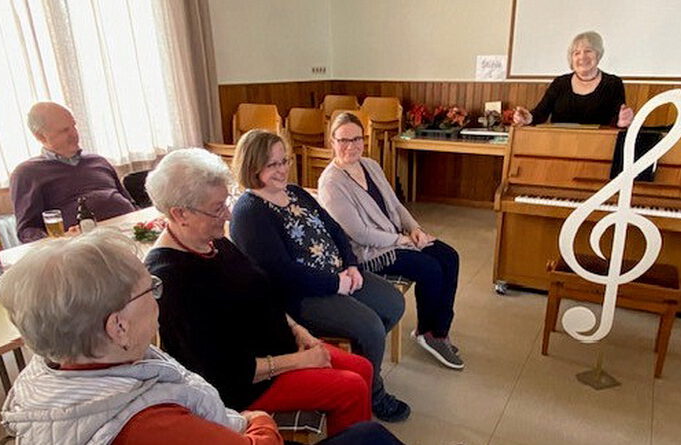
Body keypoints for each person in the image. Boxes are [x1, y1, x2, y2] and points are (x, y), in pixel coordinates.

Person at [144, 149, 373, 436]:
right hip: (245, 385)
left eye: (226, 202)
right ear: (180, 214)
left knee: (362, 368)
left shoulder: (211, 242)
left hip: (279, 347)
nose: (227, 214)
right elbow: (222, 371)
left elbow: (260, 292)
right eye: (217, 209)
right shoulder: (169, 278)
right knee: (350, 388)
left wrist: (298, 329)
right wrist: (300, 361)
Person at [0, 230, 281, 444]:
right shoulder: (151, 425)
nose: (159, 297)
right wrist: (260, 420)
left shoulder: (43, 374)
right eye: (151, 288)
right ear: (118, 326)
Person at [229, 131, 411, 422]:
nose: (282, 169)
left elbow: (335, 229)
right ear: (252, 167)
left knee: (393, 303)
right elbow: (280, 273)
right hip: (301, 296)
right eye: (272, 164)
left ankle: (362, 364)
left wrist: (350, 265)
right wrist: (335, 283)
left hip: (339, 276)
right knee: (371, 327)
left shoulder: (296, 192)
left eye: (284, 161)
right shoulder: (249, 211)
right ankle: (373, 392)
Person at [318, 112, 463, 370]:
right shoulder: (331, 182)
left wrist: (415, 229)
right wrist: (402, 239)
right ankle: (427, 332)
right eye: (343, 140)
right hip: (369, 253)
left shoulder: (370, 165)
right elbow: (359, 234)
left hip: (396, 237)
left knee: (449, 256)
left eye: (356, 139)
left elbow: (395, 205)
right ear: (332, 142)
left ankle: (437, 332)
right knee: (429, 268)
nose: (351, 146)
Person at [10, 102, 136, 243]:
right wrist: (60, 241)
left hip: (131, 232)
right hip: (84, 246)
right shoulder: (27, 173)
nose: (74, 134)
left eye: (73, 126)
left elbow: (130, 202)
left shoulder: (98, 160)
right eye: (64, 130)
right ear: (41, 136)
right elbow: (27, 231)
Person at [513, 31, 634, 128]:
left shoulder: (613, 83)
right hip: (560, 146)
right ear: (571, 58)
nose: (582, 56)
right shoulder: (559, 83)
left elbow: (615, 120)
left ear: (598, 54)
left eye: (588, 51)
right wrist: (528, 118)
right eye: (576, 53)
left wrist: (621, 121)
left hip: (599, 149)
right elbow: (540, 113)